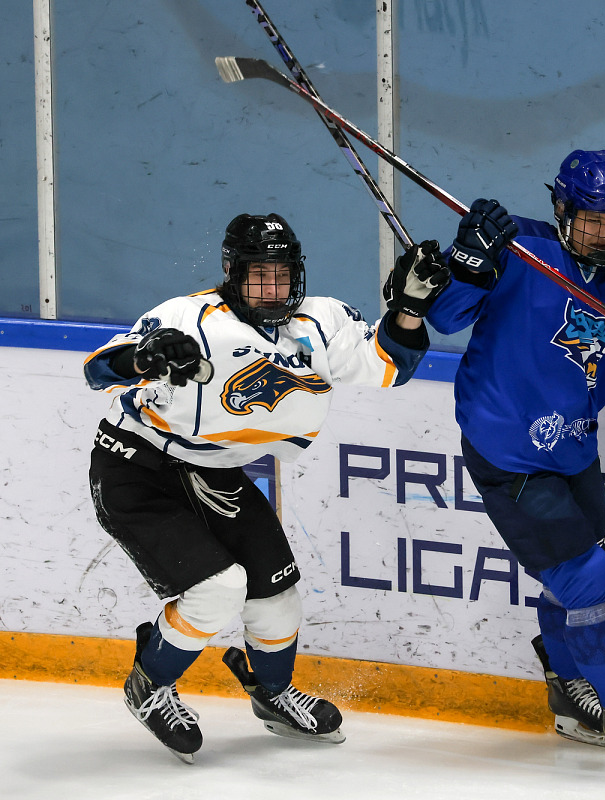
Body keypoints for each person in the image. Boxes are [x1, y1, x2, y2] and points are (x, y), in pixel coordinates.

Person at [84, 212, 450, 763]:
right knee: (219, 589)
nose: (273, 288)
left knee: (277, 598)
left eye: (282, 275)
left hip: (215, 474)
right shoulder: (187, 318)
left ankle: (272, 692)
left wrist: (410, 308)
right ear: (233, 272)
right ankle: (150, 683)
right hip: (137, 467)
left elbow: (389, 366)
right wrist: (142, 358)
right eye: (259, 275)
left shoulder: (319, 322)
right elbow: (96, 371)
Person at [426, 150, 605, 771]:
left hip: (575, 450)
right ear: (561, 208)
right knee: (587, 579)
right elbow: (443, 318)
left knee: (576, 577)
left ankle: (568, 691)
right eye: (593, 219)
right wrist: (468, 260)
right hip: (507, 450)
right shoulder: (516, 249)